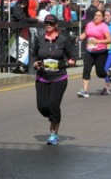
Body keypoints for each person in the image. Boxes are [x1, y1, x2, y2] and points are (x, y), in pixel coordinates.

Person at [32, 14, 76, 145]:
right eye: (46, 23)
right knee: (42, 107)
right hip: (42, 78)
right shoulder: (39, 40)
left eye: (51, 23)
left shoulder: (62, 40)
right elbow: (34, 55)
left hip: (59, 78)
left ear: (56, 25)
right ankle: (54, 117)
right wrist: (35, 63)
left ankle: (54, 133)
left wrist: (71, 61)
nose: (48, 25)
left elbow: (72, 55)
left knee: (53, 105)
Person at [77, 10, 111, 98]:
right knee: (86, 69)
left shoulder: (104, 27)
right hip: (89, 51)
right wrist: (79, 39)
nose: (96, 17)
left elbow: (109, 40)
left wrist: (98, 41)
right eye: (95, 15)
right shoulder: (89, 24)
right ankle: (85, 91)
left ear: (102, 18)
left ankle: (110, 73)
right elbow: (85, 33)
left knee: (100, 73)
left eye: (99, 15)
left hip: (101, 52)